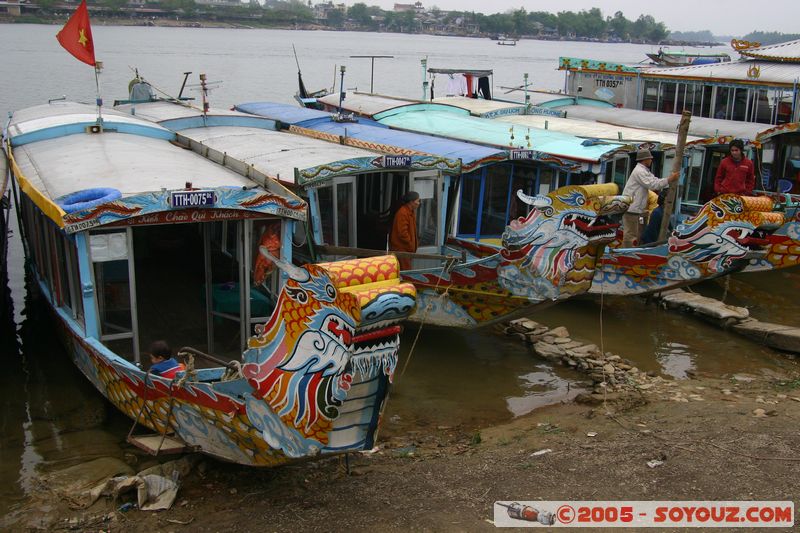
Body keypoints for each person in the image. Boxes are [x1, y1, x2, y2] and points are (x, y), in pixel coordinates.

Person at [621, 149, 679, 248]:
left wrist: (668, 179)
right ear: (645, 159)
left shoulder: (643, 171)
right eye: (650, 159)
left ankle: (629, 254)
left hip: (636, 209)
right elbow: (653, 184)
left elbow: (654, 180)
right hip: (632, 209)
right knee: (630, 236)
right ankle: (626, 256)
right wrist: (669, 179)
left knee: (635, 235)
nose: (651, 160)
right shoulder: (639, 171)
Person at [389, 190, 420, 270]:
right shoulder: (403, 213)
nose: (419, 203)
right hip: (402, 249)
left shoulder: (409, 212)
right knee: (405, 273)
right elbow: (402, 233)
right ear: (411, 202)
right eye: (418, 201)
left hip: (406, 250)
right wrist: (410, 245)